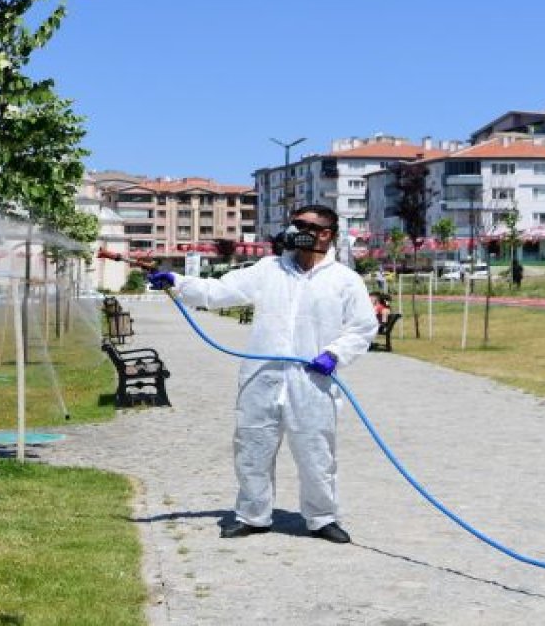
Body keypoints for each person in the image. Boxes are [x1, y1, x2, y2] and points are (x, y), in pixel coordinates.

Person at [147, 205, 378, 544]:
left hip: (312, 382)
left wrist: (334, 354)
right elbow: (218, 291)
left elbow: (362, 327)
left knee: (316, 453)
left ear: (325, 234)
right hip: (262, 378)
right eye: (294, 223)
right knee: (252, 449)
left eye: (303, 225)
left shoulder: (344, 280)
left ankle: (321, 517)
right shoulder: (268, 270)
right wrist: (178, 283)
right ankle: (253, 515)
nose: (293, 229)